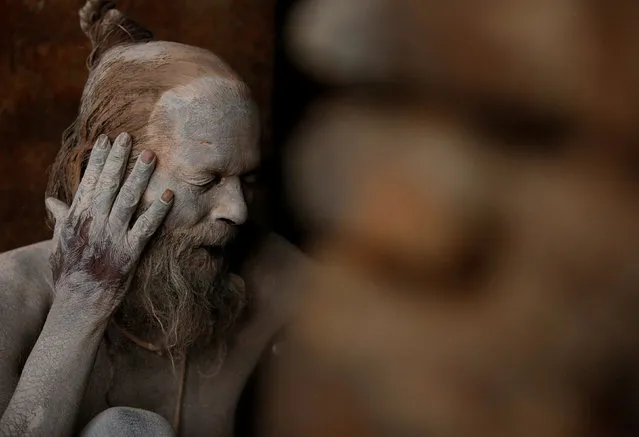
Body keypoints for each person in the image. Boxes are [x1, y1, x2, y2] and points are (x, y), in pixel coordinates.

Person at [0, 1, 304, 436]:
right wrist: (81, 305)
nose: (237, 209)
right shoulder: (9, 297)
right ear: (108, 174)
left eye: (247, 179)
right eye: (205, 180)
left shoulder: (269, 274)